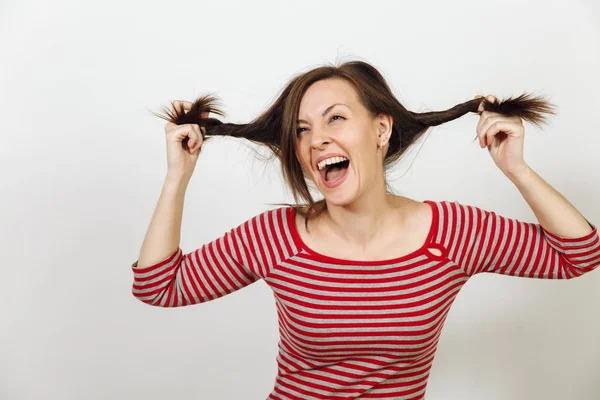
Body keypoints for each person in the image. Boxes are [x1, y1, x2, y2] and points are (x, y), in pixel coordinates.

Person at [130, 60, 600, 400]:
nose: (317, 140)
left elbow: (578, 254)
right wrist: (178, 178)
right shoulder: (277, 237)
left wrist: (515, 167)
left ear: (380, 129)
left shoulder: (452, 233)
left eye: (336, 118)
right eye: (301, 130)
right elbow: (157, 286)